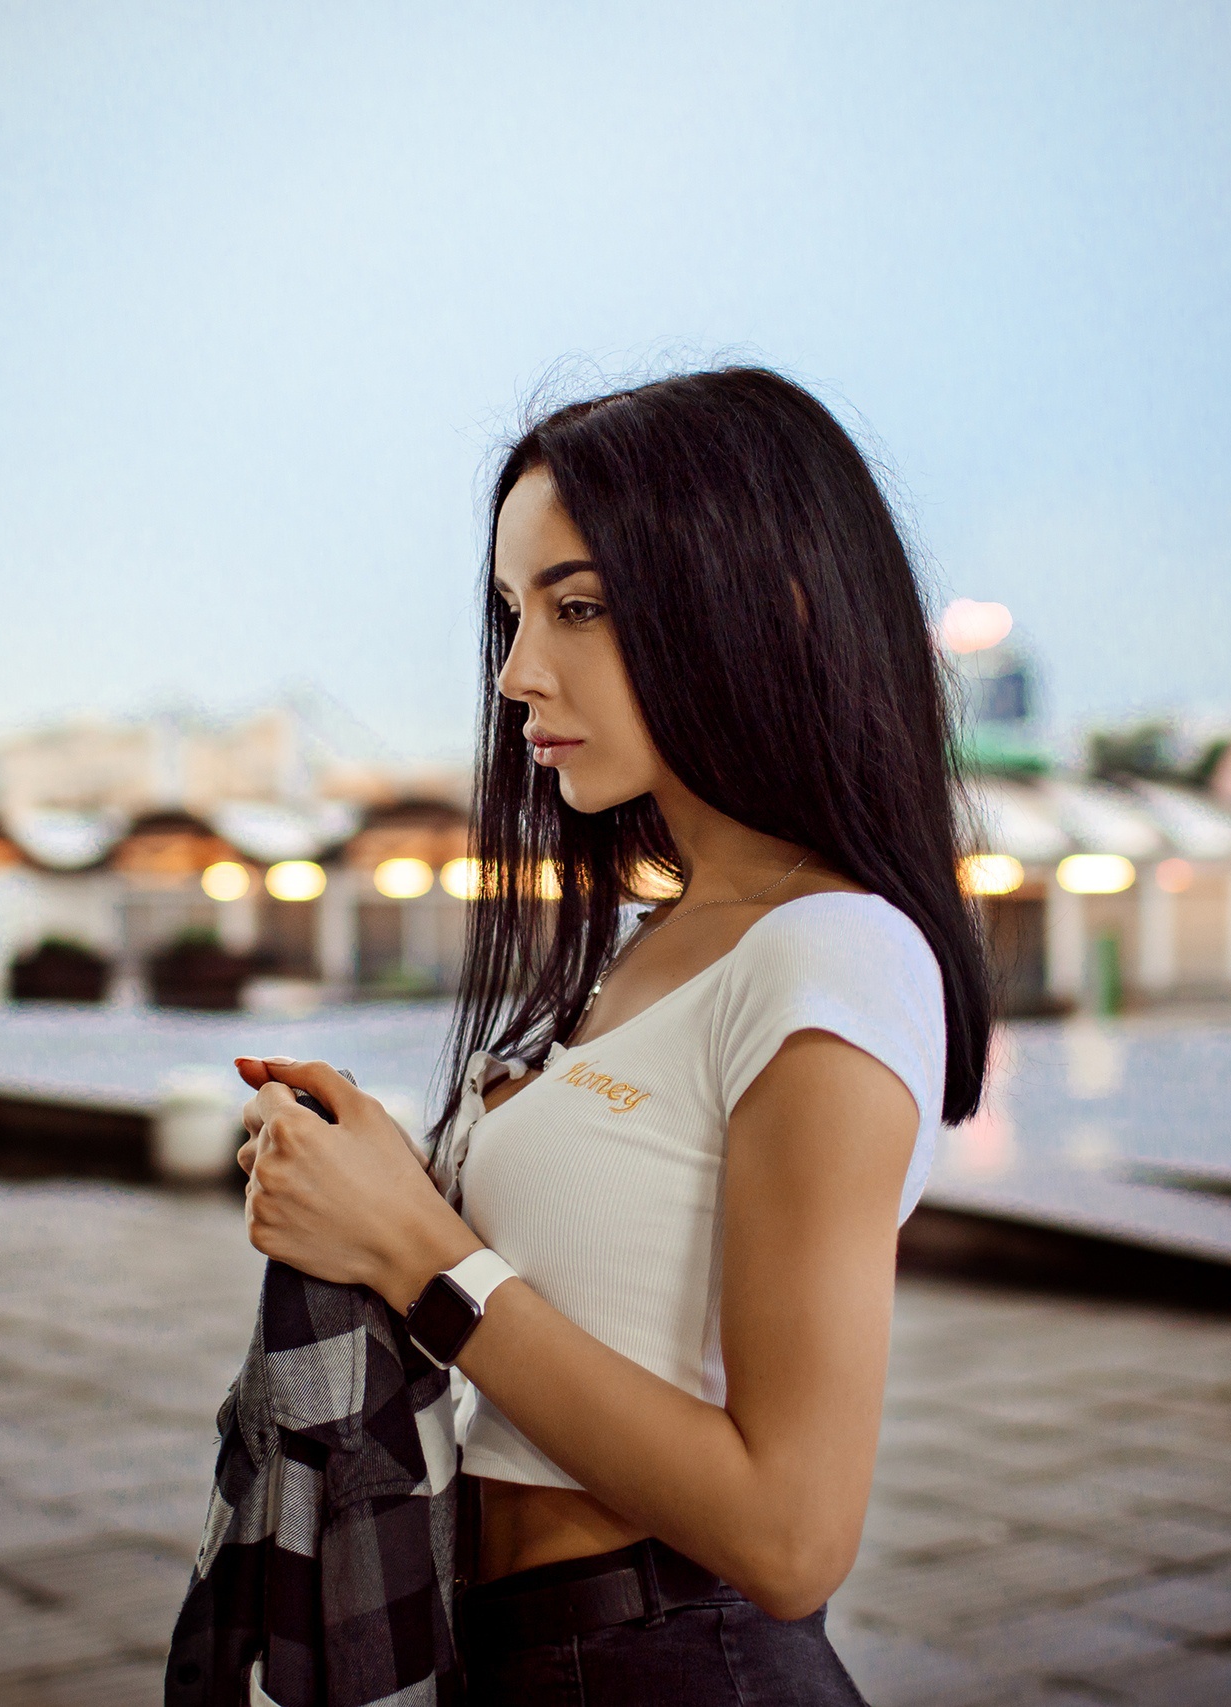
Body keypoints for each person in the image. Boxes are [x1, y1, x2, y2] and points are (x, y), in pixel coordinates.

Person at [234, 367, 992, 1704]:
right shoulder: (666, 939)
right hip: (516, 1654)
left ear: (775, 607)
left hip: (668, 1662)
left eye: (579, 607)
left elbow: (793, 1535)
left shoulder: (834, 955)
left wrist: (420, 1256)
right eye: (514, 613)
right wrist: (379, 1190)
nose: (521, 674)